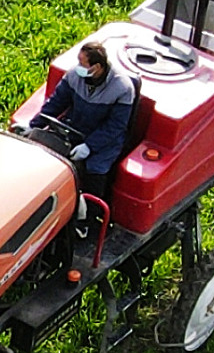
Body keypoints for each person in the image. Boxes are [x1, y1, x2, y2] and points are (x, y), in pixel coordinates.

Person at [35, 41, 137, 276]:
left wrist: (90, 146)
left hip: (103, 143)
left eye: (83, 64)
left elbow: (115, 127)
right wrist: (34, 125)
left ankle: (88, 221)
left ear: (98, 68)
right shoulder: (74, 77)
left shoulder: (122, 89)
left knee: (93, 170)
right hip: (75, 130)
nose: (78, 67)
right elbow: (55, 103)